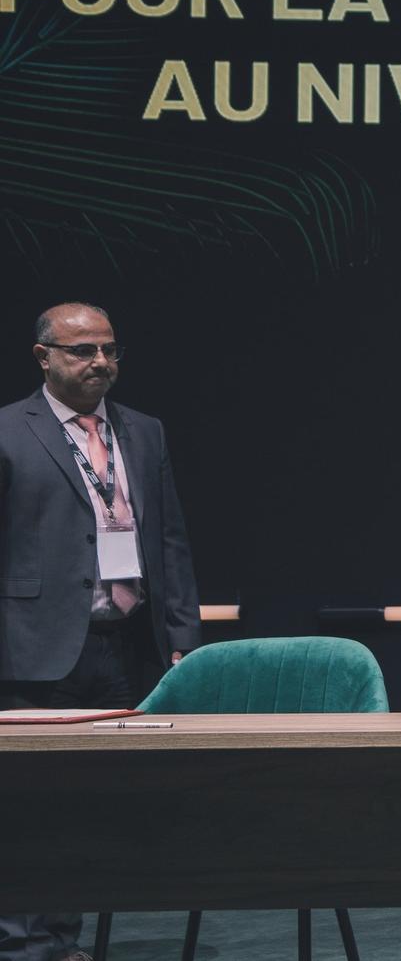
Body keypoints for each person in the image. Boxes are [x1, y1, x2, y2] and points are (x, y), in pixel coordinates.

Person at [1, 303, 202, 961]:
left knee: (89, 805)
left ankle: (63, 942)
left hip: (127, 644)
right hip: (35, 647)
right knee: (31, 805)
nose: (100, 362)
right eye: (83, 350)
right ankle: (26, 947)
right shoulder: (8, 431)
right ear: (43, 357)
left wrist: (182, 634)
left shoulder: (144, 431)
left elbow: (169, 540)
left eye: (110, 349)